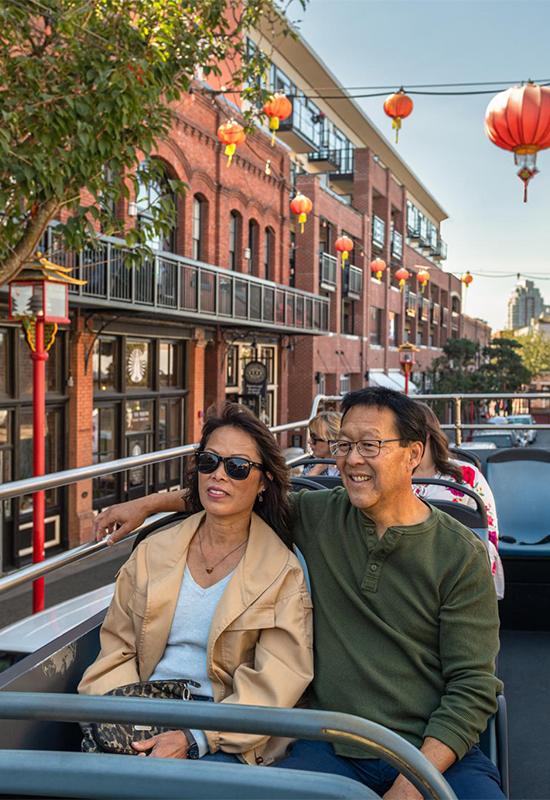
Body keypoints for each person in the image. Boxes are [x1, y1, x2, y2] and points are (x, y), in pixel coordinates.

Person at [94, 388, 503, 799]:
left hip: (431, 751)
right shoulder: (319, 514)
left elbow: (473, 686)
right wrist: (147, 505)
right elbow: (232, 488)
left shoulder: (459, 554)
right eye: (344, 444)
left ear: (414, 454)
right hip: (331, 742)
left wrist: (414, 781)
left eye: (370, 445)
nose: (352, 458)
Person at [79, 403, 313, 765]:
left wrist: (196, 738)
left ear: (264, 481)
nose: (219, 475)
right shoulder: (153, 552)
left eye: (237, 468)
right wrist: (128, 721)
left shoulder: (282, 573)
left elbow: (275, 682)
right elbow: (117, 649)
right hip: (144, 709)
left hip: (224, 730)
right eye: (209, 462)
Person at [412, 401, 505, 599]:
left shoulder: (467, 476)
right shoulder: (390, 477)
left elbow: (488, 532)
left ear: (426, 434)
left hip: (459, 569)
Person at [303, 411, 341, 477]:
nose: (309, 441)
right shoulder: (312, 463)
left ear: (332, 441)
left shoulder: (350, 467)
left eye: (314, 438)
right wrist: (315, 471)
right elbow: (300, 487)